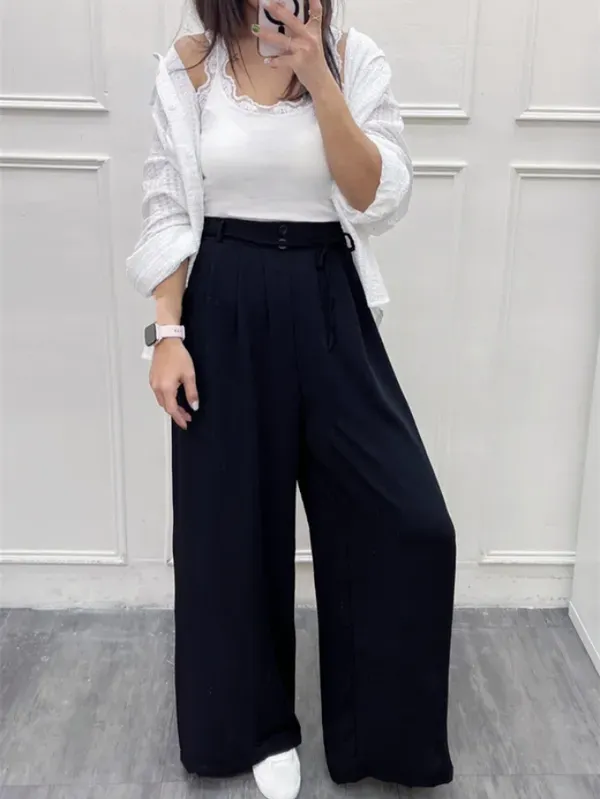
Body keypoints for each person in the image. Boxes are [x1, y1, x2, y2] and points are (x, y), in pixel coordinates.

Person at [126, 1, 456, 797]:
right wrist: (167, 333)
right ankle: (254, 727)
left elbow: (377, 196)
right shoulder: (190, 64)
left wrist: (318, 73)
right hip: (223, 301)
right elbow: (167, 201)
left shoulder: (352, 54)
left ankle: (382, 734)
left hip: (327, 293)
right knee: (229, 529)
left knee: (408, 520)